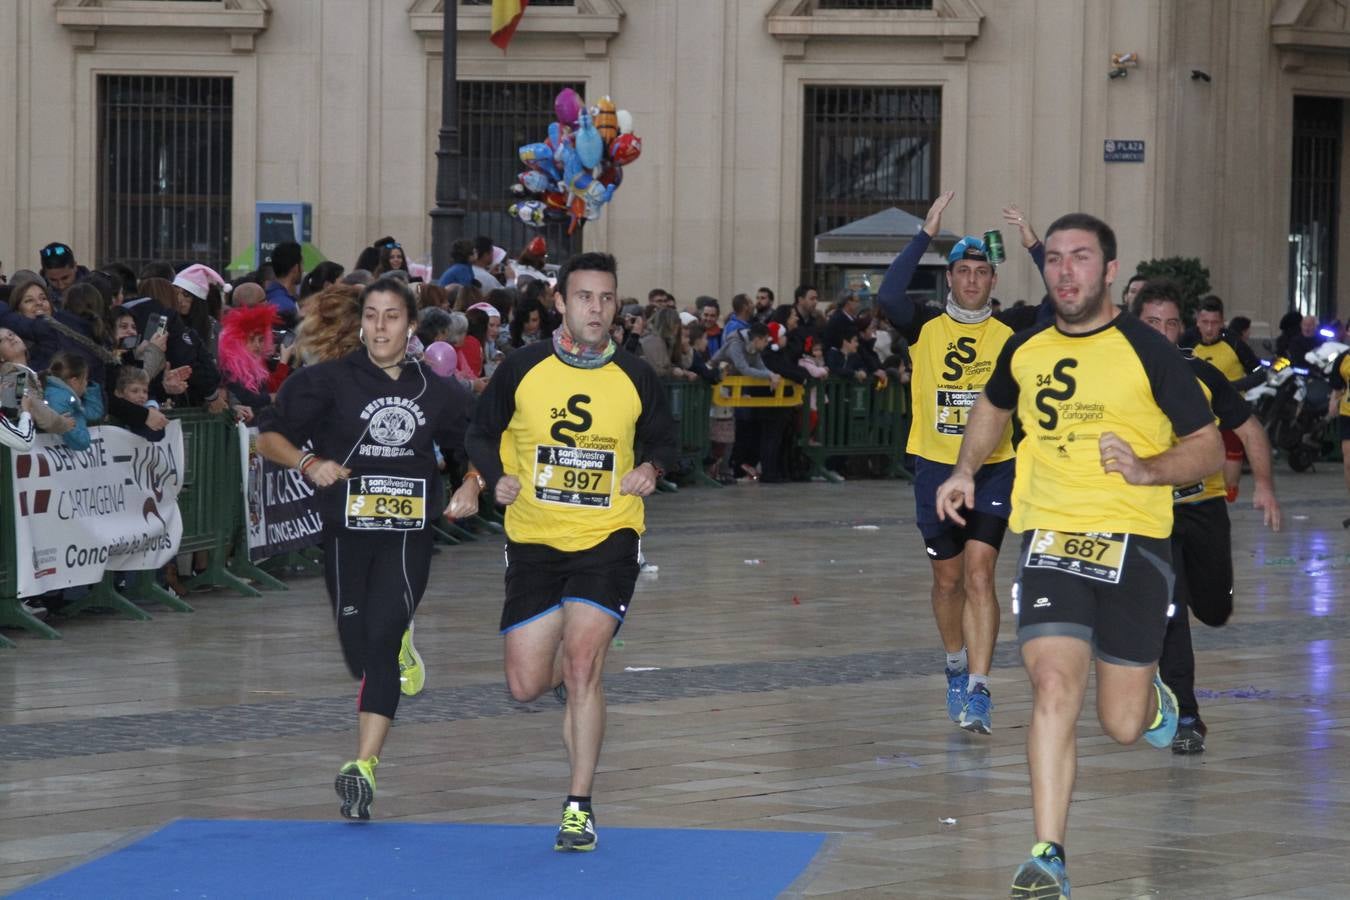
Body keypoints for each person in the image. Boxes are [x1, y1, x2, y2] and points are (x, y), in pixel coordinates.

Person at [934, 213, 1222, 898]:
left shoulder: (1150, 352)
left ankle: (1150, 703)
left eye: (1081, 258)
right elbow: (992, 407)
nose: (1066, 271)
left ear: (1110, 271)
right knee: (1053, 687)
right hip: (1051, 540)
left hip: (1137, 545)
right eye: (1056, 258)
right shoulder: (1026, 349)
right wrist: (965, 469)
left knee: (1120, 726)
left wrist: (1149, 468)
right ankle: (1047, 852)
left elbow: (1209, 447)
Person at [465, 252, 676, 853]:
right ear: (560, 302)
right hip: (534, 539)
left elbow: (666, 438)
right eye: (584, 297)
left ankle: (578, 806)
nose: (596, 309)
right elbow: (481, 431)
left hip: (609, 538)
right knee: (525, 686)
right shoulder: (523, 367)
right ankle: (563, 678)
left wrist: (652, 468)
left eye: (606, 298)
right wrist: (491, 477)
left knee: (585, 666)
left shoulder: (637, 375)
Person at [255, 276, 480, 821]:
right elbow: (268, 436)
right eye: (373, 315)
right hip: (346, 532)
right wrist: (309, 462)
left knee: (378, 641)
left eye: (393, 316)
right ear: (361, 322)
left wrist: (471, 483)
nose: (381, 327)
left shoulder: (438, 390)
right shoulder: (328, 381)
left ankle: (364, 766)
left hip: (408, 536)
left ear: (411, 324)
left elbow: (472, 445)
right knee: (359, 649)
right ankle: (398, 646)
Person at [876, 192, 1046, 735]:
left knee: (979, 574)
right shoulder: (923, 325)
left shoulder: (1013, 331)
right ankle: (954, 663)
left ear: (994, 281)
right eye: (963, 271)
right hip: (935, 469)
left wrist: (1035, 246)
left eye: (981, 272)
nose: (972, 280)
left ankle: (979, 687)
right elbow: (887, 293)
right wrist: (925, 233)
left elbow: (1061, 306)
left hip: (996, 466)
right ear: (949, 278)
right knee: (947, 581)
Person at [1132, 280, 1281, 756]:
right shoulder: (1119, 375)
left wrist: (1265, 487)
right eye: (1151, 322)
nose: (1162, 331)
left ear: (1183, 329)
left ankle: (1191, 604)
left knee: (1214, 609)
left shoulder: (1202, 374)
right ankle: (1187, 715)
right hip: (1154, 511)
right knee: (1172, 611)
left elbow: (1250, 430)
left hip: (1205, 506)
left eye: (1170, 322)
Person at [1180, 295, 1263, 501]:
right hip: (1200, 418)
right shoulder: (1186, 342)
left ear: (1222, 322)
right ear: (1197, 321)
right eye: (1205, 323)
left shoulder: (1233, 342)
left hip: (1230, 417)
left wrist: (1233, 388)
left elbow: (1260, 372)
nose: (1209, 329)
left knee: (1229, 482)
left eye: (1214, 323)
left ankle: (1225, 498)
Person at [264, 242, 304, 324]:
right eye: (302, 264)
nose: (303, 270)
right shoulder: (285, 306)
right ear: (295, 268)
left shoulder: (269, 295)